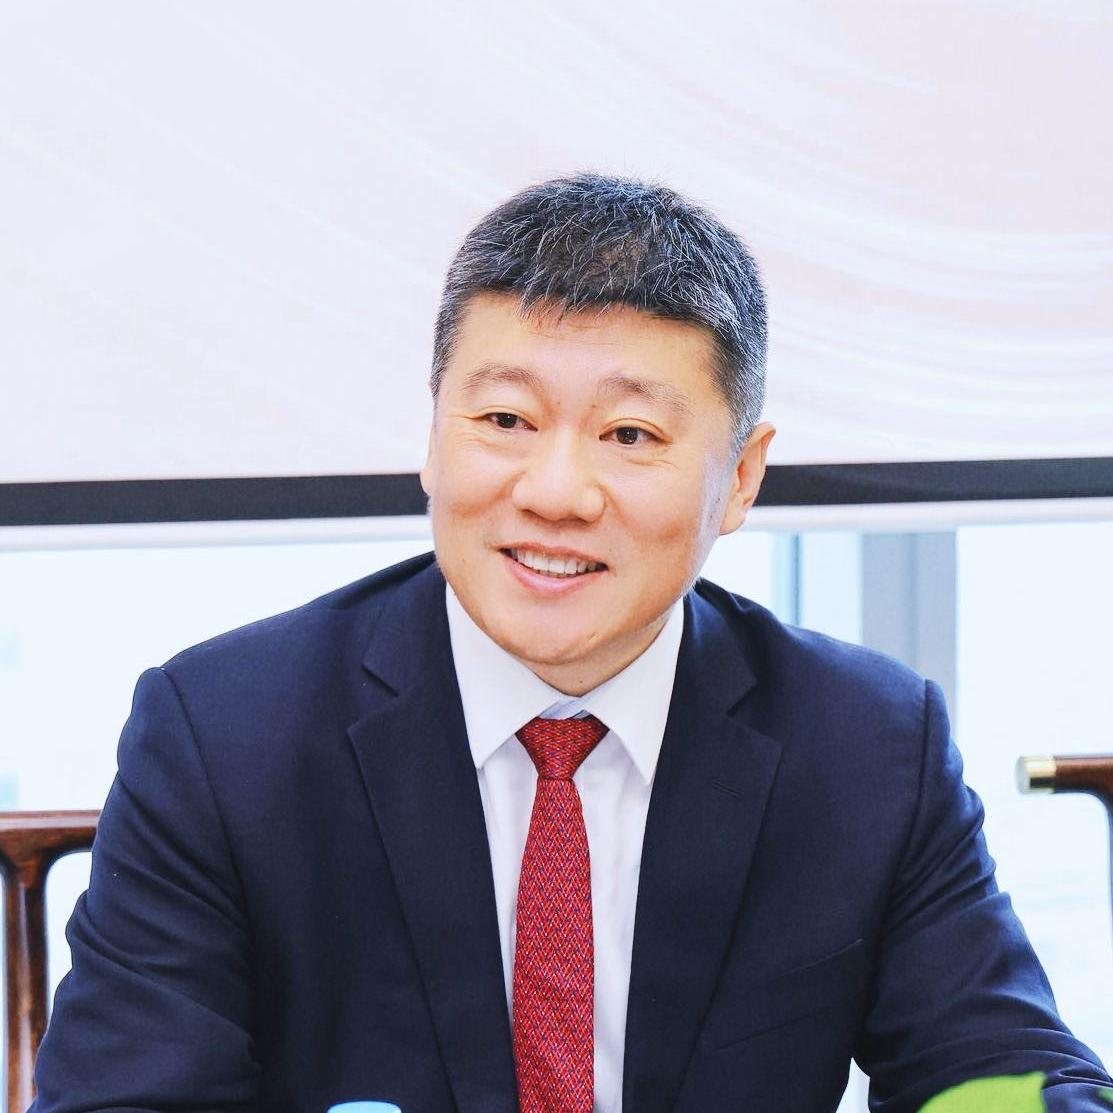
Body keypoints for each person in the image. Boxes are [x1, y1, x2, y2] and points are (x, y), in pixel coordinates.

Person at [31, 175, 1110, 1113]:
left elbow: (1006, 1073)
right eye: (504, 421)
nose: (554, 492)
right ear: (432, 433)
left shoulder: (867, 746)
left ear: (741, 477)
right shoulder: (223, 738)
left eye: (629, 435)